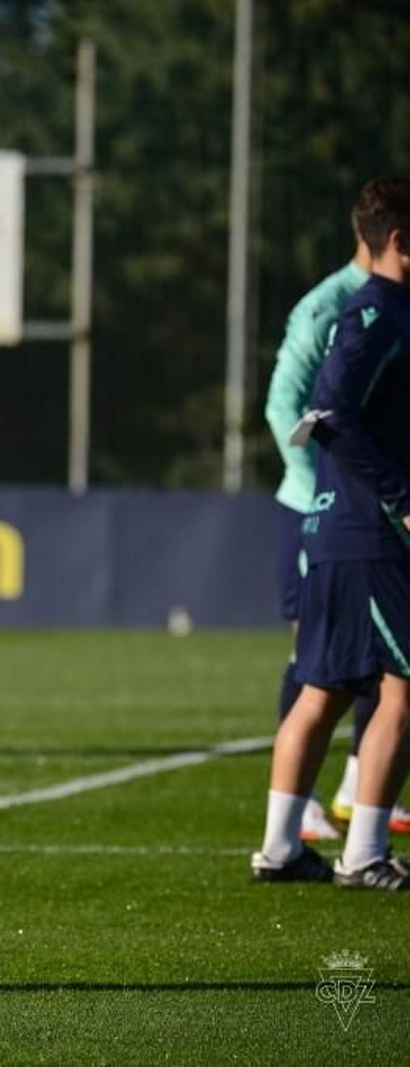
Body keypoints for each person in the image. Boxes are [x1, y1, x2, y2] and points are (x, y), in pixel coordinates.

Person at [250, 175, 410, 890]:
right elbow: (326, 410)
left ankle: (281, 847)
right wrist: (403, 496)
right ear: (401, 241)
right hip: (366, 530)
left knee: (324, 686)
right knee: (403, 687)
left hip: (339, 523)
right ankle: (365, 851)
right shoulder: (375, 312)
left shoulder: (382, 309)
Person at [263, 228, 380, 841]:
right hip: (320, 505)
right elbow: (284, 408)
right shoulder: (326, 305)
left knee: (387, 651)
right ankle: (297, 805)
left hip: (375, 509)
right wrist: (325, 491)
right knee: (313, 652)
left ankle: (358, 786)